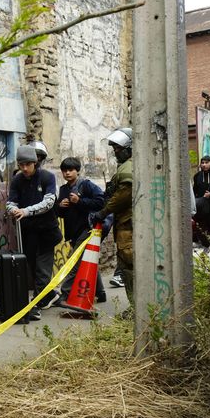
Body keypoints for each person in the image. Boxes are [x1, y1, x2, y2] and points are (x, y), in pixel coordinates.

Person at [6, 145, 62, 318]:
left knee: (42, 270)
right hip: (27, 233)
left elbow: (49, 202)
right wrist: (13, 210)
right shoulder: (17, 180)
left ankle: (36, 305)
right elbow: (11, 202)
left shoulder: (47, 177)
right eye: (21, 164)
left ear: (35, 163)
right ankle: (51, 295)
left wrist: (26, 211)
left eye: (28, 164)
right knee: (33, 267)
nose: (24, 168)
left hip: (47, 232)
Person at [54, 157, 106, 305]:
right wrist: (60, 206)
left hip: (87, 229)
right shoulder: (63, 189)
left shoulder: (86, 185)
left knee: (74, 261)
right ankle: (100, 292)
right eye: (64, 171)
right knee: (87, 259)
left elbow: (101, 202)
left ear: (77, 171)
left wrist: (80, 201)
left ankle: (65, 293)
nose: (67, 173)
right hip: (73, 233)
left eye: (70, 170)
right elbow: (60, 213)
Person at [92, 127, 134, 307]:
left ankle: (137, 308)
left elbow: (123, 196)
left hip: (129, 226)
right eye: (115, 148)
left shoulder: (128, 168)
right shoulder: (128, 166)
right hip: (126, 225)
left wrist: (102, 212)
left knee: (130, 268)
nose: (116, 152)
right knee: (127, 268)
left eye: (119, 148)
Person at [192, 156, 210, 253]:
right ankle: (206, 245)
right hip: (200, 207)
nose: (204, 165)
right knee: (199, 228)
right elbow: (194, 191)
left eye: (207, 162)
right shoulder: (197, 176)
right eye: (202, 162)